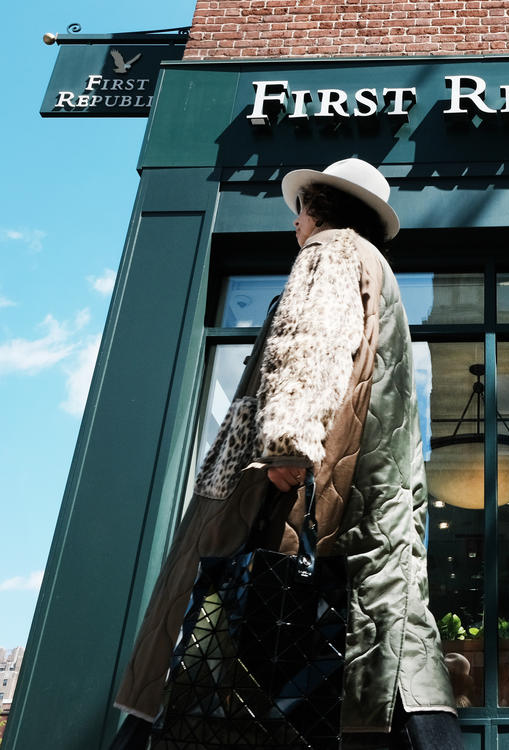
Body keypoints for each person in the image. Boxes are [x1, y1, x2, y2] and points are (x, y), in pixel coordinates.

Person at [109, 158, 462, 750]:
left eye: (298, 213)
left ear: (311, 211)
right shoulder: (376, 268)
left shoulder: (330, 252)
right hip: (368, 501)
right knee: (394, 650)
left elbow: (310, 341)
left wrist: (288, 448)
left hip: (301, 506)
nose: (294, 225)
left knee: (223, 656)